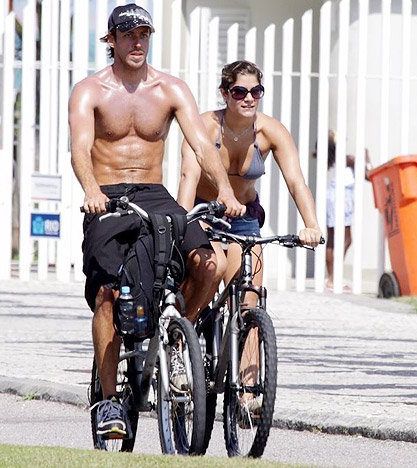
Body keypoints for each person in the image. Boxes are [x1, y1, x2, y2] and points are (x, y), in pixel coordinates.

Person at [68, 4, 245, 439]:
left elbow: (202, 145)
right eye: (128, 35)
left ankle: (177, 336)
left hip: (155, 193)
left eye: (144, 34)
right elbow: (79, 146)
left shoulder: (170, 88)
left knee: (209, 264)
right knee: (108, 295)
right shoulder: (90, 90)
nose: (137, 42)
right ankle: (109, 403)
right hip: (107, 195)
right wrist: (91, 191)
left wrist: (223, 189)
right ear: (111, 40)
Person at [178, 60, 323, 412]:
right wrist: (182, 225)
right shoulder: (206, 128)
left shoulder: (270, 131)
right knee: (211, 274)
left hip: (245, 221)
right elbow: (187, 178)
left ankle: (246, 390)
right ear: (226, 93)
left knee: (250, 299)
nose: (248, 98)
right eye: (240, 92)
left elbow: (295, 181)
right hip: (206, 214)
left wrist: (312, 225)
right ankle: (181, 346)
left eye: (255, 91)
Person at [312, 130, 372, 292]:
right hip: (342, 198)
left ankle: (332, 278)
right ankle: (333, 278)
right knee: (345, 239)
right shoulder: (348, 160)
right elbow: (368, 175)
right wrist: (367, 159)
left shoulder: (328, 159)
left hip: (334, 197)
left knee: (333, 238)